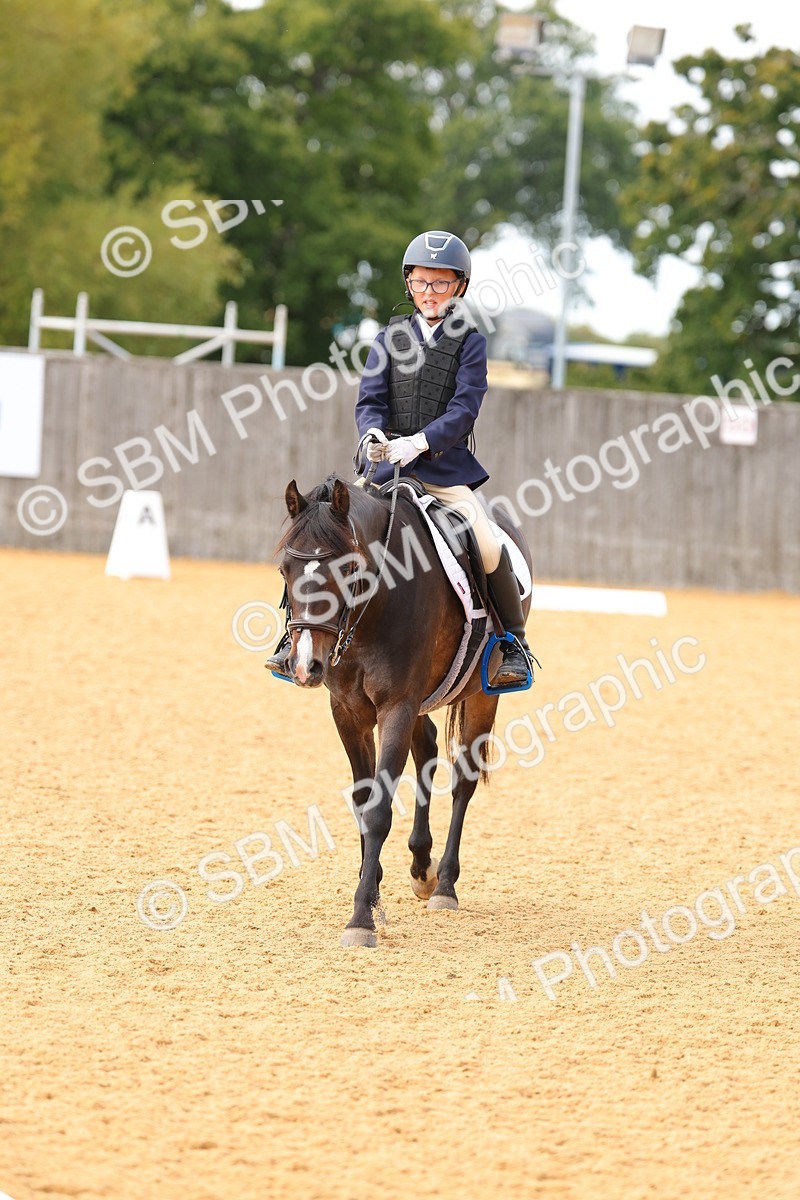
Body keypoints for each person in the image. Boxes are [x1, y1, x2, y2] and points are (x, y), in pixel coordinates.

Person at [267, 229, 534, 687]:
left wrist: (421, 442)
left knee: (487, 542)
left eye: (442, 284)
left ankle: (513, 643)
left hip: (443, 472)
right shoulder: (388, 339)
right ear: (409, 283)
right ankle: (291, 638)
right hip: (386, 470)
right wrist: (371, 433)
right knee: (324, 535)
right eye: (422, 283)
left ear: (460, 287)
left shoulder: (469, 343)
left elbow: (464, 409)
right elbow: (370, 399)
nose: (430, 293)